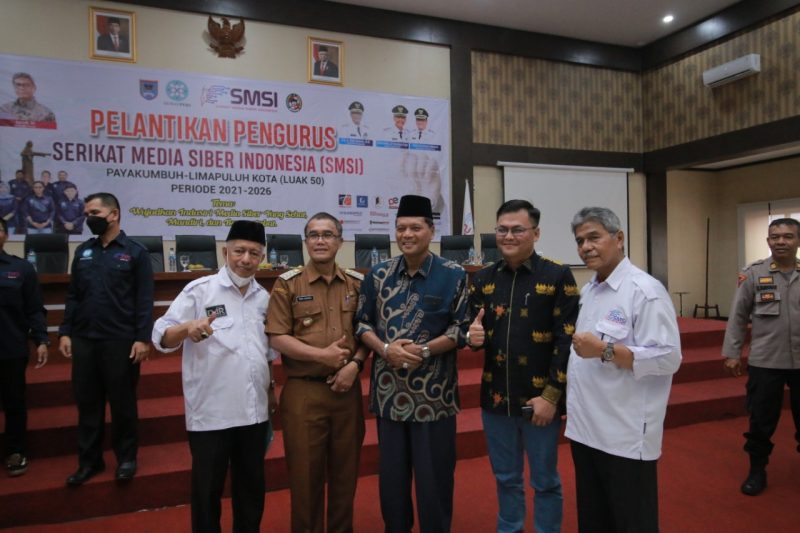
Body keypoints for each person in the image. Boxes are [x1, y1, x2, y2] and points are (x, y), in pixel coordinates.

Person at [152, 220, 276, 533]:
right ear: (225, 252)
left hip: (254, 412)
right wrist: (186, 328)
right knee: (207, 493)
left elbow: (266, 353)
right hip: (211, 414)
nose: (246, 259)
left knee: (251, 491)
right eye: (239, 251)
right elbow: (161, 336)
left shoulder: (264, 298)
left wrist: (271, 392)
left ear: (262, 257)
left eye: (254, 253)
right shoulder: (200, 291)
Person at [355, 194, 468, 533]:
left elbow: (461, 329)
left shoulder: (453, 275)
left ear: (431, 231)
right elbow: (361, 323)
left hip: (435, 398)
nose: (407, 234)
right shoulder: (378, 275)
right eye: (401, 228)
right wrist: (385, 348)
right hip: (390, 395)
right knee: (392, 481)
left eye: (415, 228)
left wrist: (425, 351)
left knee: (435, 481)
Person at [565, 207, 681, 533]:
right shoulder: (590, 290)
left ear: (618, 239)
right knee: (594, 521)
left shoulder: (645, 291)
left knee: (631, 522)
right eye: (580, 241)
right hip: (586, 430)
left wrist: (605, 350)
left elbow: (668, 358)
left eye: (594, 237)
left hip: (624, 436)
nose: (586, 247)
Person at [466, 199, 579, 533]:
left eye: (518, 230)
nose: (508, 236)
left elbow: (567, 341)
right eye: (502, 230)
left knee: (545, 481)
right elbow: (471, 330)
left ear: (536, 233)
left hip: (539, 400)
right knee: (506, 478)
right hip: (496, 398)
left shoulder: (557, 275)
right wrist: (471, 337)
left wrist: (551, 396)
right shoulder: (483, 278)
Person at [266, 212, 367, 533]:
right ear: (306, 242)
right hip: (304, 393)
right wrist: (322, 356)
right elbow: (277, 336)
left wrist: (355, 364)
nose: (320, 240)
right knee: (305, 478)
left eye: (327, 234)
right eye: (314, 235)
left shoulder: (357, 283)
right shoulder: (287, 284)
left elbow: (368, 333)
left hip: (346, 391)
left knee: (345, 476)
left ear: (340, 241)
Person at [58, 192, 154, 486]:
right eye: (87, 214)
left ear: (114, 214)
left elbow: (144, 300)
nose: (89, 218)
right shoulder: (83, 252)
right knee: (88, 404)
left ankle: (126, 458)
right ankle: (89, 461)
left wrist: (142, 338)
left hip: (120, 340)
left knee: (123, 403)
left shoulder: (135, 252)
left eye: (95, 213)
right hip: (85, 339)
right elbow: (73, 296)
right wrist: (65, 331)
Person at [722, 217, 800, 496]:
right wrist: (732, 352)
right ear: (768, 241)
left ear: (797, 241)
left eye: (788, 236)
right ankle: (757, 470)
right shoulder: (754, 273)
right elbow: (738, 315)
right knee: (761, 421)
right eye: (775, 237)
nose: (781, 242)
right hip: (766, 360)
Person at [0, 217, 49, 477]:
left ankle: (15, 451)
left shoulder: (20, 268)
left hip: (10, 348)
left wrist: (41, 339)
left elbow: (34, 308)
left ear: (5, 235)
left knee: (14, 403)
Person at [8, 170, 31, 235]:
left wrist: (22, 197)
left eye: (21, 174)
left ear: (23, 175)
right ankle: (15, 232)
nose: (19, 175)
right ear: (15, 175)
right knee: (15, 217)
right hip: (13, 203)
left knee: (23, 217)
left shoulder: (26, 183)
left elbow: (28, 192)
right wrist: (15, 197)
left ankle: (24, 232)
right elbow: (8, 191)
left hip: (23, 203)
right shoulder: (11, 182)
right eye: (18, 174)